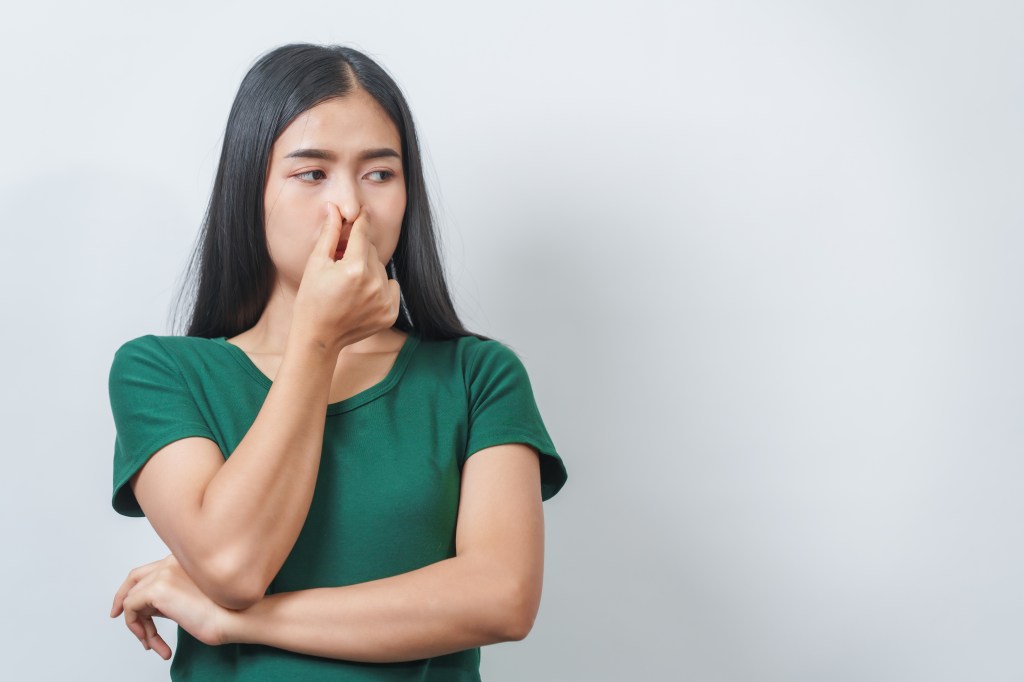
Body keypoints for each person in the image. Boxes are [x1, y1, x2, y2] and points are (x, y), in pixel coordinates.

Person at [106, 43, 567, 681]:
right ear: (251, 190)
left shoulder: (477, 377)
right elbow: (235, 566)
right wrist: (318, 341)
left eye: (380, 173)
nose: (351, 207)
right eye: (312, 174)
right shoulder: (162, 373)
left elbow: (502, 599)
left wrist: (238, 623)